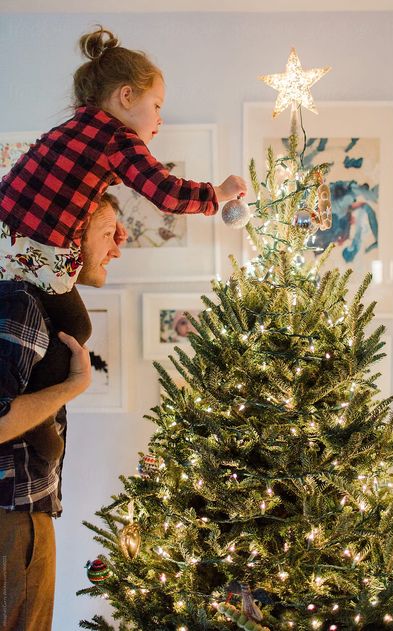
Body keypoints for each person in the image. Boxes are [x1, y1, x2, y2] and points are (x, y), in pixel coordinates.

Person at [0, 24, 246, 453]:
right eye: (156, 105)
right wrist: (218, 194)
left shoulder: (75, 128)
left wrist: (100, 223)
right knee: (76, 325)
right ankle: (35, 421)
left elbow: (61, 198)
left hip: (9, 239)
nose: (160, 119)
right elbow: (165, 192)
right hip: (32, 255)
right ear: (125, 97)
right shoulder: (116, 138)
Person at [0, 194, 122, 631]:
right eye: (107, 233)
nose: (117, 248)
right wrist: (74, 386)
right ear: (70, 239)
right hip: (12, 518)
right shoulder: (20, 302)